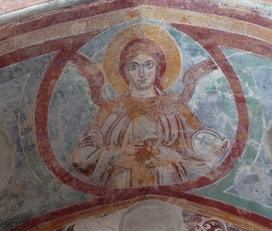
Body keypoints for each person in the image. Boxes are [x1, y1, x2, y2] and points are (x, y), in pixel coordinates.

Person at [72, 33, 229, 188]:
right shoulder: (111, 110)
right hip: (120, 182)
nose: (142, 74)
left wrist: (216, 146)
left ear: (158, 69)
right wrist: (120, 152)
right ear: (125, 72)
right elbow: (83, 156)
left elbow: (199, 142)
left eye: (148, 65)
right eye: (134, 66)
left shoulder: (175, 108)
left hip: (168, 181)